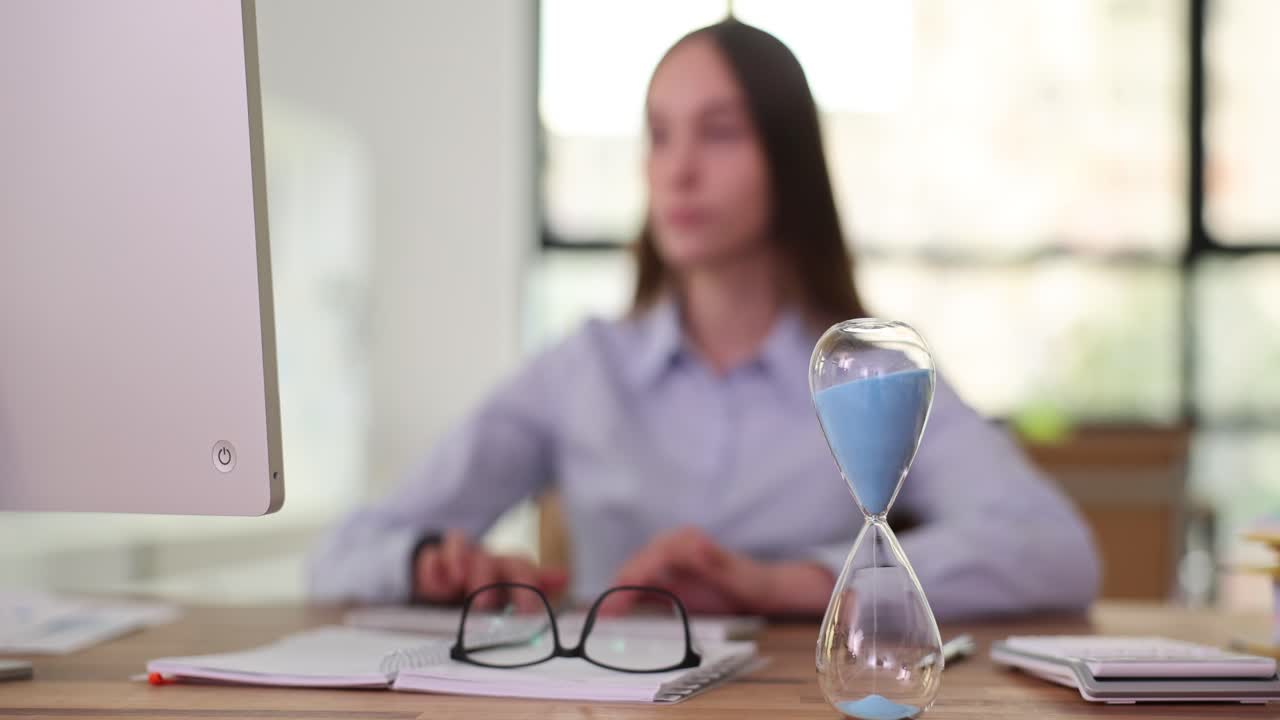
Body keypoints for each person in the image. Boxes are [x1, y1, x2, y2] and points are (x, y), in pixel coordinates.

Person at [308, 19, 1099, 620]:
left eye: (718, 132)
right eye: (658, 136)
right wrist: (425, 566)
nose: (678, 171)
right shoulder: (582, 370)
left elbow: (1055, 547)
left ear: (788, 160)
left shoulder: (872, 372)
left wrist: (789, 582)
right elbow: (336, 558)